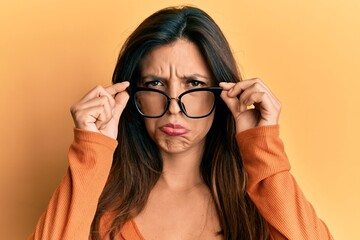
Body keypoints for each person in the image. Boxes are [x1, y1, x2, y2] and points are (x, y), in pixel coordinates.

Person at [29, 6, 333, 240]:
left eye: (193, 83)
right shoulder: (98, 203)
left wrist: (262, 144)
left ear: (222, 91)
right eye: (156, 83)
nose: (173, 106)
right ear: (131, 93)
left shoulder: (256, 202)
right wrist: (90, 151)